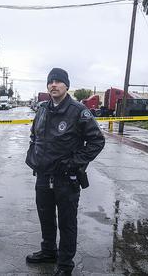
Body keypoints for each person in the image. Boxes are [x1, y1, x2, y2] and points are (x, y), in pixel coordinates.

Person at [25, 68, 106, 276]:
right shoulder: (42, 109)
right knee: (46, 217)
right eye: (50, 81)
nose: (53, 85)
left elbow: (97, 140)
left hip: (66, 179)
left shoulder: (78, 111)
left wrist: (74, 162)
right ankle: (48, 251)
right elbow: (34, 135)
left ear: (67, 86)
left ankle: (65, 264)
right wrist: (33, 156)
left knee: (67, 222)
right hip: (43, 176)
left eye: (58, 81)